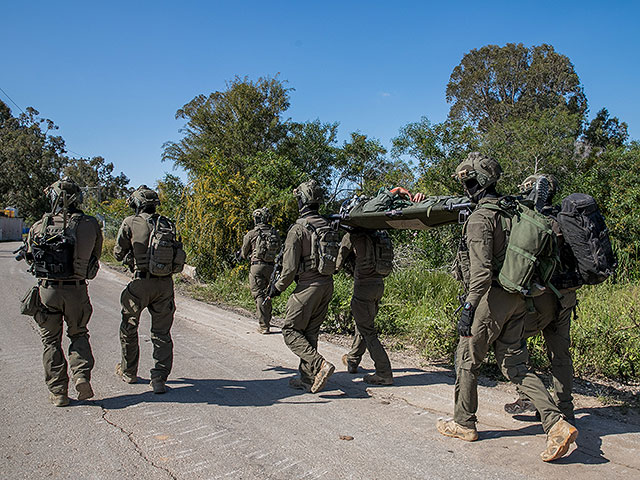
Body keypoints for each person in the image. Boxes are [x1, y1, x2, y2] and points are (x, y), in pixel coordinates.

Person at [436, 153, 578, 462]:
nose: (467, 188)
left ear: (479, 183)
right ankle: (556, 423)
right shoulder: (513, 210)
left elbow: (481, 273)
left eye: (469, 181)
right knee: (514, 367)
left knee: (467, 359)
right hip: (519, 298)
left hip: (491, 298)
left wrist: (469, 307)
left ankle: (464, 423)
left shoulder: (480, 218)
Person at [504, 174, 580, 423]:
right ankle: (565, 408)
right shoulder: (566, 219)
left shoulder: (534, 222)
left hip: (543, 299)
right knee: (560, 355)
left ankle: (531, 397)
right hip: (567, 296)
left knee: (513, 343)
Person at [26, 178, 103, 406]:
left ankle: (59, 392)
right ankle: (81, 375)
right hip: (77, 290)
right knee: (78, 333)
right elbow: (95, 259)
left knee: (50, 341)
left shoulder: (38, 226)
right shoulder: (90, 224)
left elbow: (31, 258)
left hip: (48, 291)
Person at [267, 180, 338, 393]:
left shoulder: (298, 229)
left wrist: (276, 288)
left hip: (308, 287)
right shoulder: (327, 225)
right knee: (310, 332)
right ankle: (307, 379)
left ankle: (320, 365)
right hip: (327, 285)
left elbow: (288, 270)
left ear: (303, 201)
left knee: (290, 330)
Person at [114, 185, 183, 394]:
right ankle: (159, 378)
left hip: (140, 283)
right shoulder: (168, 224)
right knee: (162, 333)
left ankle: (129, 371)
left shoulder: (130, 222)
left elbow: (118, 253)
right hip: (164, 284)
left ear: (136, 204)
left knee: (129, 326)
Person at [336, 229, 394, 385]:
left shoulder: (353, 234)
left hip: (363, 287)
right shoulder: (379, 233)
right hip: (378, 285)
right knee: (363, 323)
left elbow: (337, 263)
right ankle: (353, 360)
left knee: (367, 330)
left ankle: (383, 372)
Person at [241, 207, 281, 334]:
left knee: (258, 294)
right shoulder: (274, 233)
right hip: (271, 267)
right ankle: (267, 320)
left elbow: (243, 253)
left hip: (256, 267)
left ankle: (264, 326)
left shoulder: (252, 233)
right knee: (268, 294)